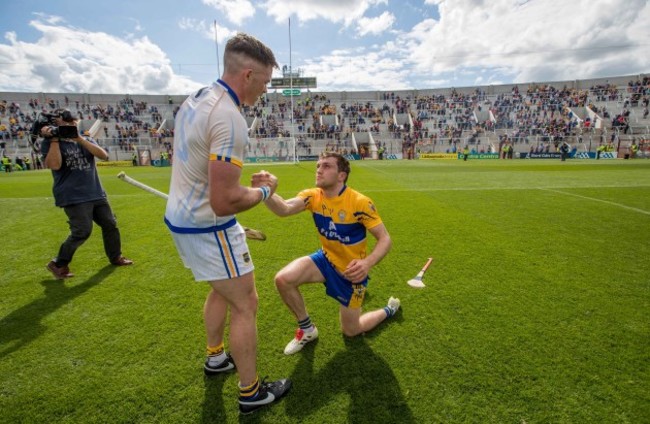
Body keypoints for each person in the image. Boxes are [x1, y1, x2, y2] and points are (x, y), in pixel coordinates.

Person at [163, 32, 291, 415]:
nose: (266, 90)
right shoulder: (230, 117)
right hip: (209, 225)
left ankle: (216, 357)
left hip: (184, 219)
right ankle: (251, 393)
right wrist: (267, 192)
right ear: (248, 74)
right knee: (246, 303)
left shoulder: (198, 98)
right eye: (266, 82)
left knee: (222, 291)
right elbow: (225, 200)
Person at [263, 152, 400, 356]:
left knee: (351, 331)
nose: (319, 169)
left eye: (326, 166)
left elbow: (385, 239)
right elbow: (284, 209)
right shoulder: (313, 196)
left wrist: (367, 263)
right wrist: (266, 192)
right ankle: (307, 329)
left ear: (341, 175)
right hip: (325, 260)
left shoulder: (359, 202)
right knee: (283, 279)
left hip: (351, 274)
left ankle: (389, 310)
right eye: (318, 165)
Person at [41, 109, 133, 280]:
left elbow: (103, 156)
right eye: (66, 122)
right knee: (82, 231)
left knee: (110, 224)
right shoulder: (50, 143)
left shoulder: (84, 139)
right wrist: (54, 139)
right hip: (72, 195)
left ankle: (115, 256)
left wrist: (79, 139)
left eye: (73, 122)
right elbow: (54, 165)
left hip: (95, 192)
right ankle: (58, 263)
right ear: (56, 124)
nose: (71, 125)